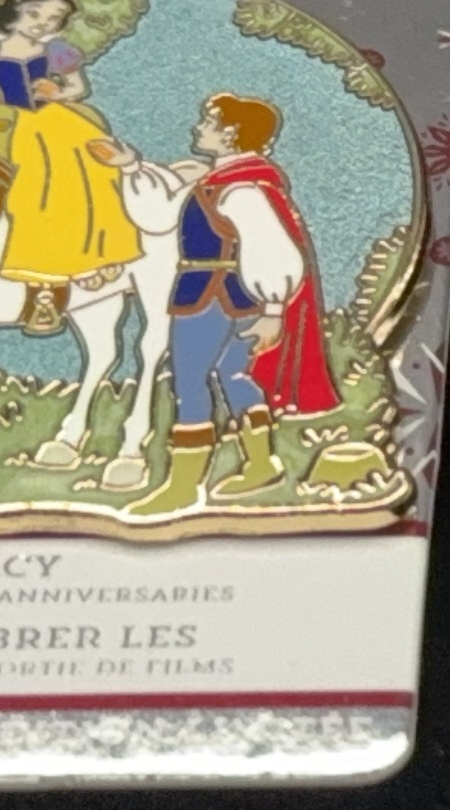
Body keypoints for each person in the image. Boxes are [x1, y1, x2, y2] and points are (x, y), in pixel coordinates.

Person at [129, 93, 340, 517]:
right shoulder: (230, 181)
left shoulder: (239, 190)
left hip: (210, 295)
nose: (198, 128)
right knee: (235, 374)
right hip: (232, 294)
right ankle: (261, 464)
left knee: (190, 382)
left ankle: (183, 487)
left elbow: (274, 251)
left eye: (208, 122)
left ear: (230, 134)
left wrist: (274, 310)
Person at [0, 0, 138, 336]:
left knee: (93, 169)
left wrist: (57, 91)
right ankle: (41, 281)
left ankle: (101, 250)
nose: (42, 24)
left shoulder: (55, 52)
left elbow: (78, 88)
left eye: (53, 19)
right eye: (34, 14)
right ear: (13, 12)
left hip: (54, 118)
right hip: (12, 121)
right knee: (33, 187)